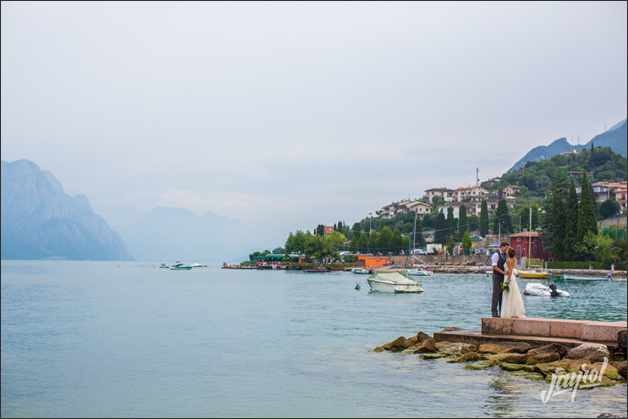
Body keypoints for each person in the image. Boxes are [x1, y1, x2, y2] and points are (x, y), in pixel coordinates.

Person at [501, 247, 526, 318]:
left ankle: (508, 313)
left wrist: (507, 281)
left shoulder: (508, 260)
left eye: (507, 251)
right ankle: (514, 312)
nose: (506, 251)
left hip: (509, 278)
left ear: (508, 253)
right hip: (512, 278)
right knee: (513, 295)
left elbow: (510, 271)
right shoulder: (514, 259)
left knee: (508, 295)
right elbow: (512, 269)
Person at [491, 242, 509, 317]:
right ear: (502, 247)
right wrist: (503, 272)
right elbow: (494, 267)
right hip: (497, 276)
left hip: (503, 277)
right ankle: (494, 313)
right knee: (496, 294)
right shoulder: (496, 255)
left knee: (502, 294)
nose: (506, 249)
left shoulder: (505, 255)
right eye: (506, 248)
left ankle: (502, 312)